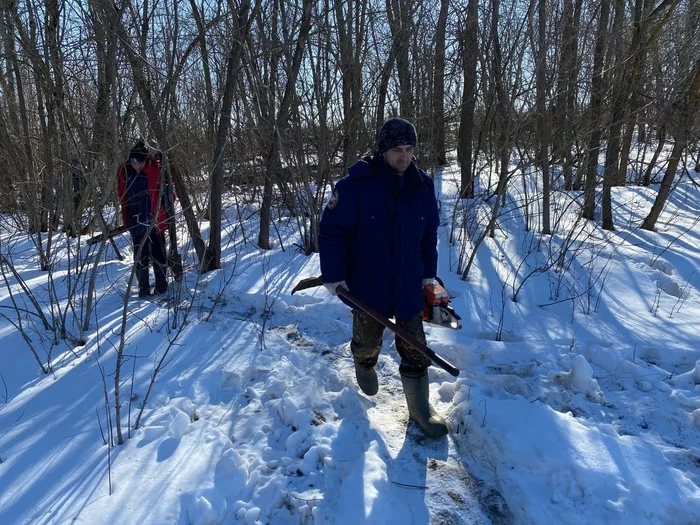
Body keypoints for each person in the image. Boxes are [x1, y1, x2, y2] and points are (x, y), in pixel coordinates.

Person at [318, 117, 448, 438]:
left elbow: (428, 235)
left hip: (408, 284)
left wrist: (428, 276)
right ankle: (364, 364)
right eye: (397, 150)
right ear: (383, 150)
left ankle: (420, 411)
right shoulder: (355, 186)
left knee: (415, 346)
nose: (404, 156)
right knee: (366, 342)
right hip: (368, 284)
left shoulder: (422, 186)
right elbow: (331, 231)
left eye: (409, 149)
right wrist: (334, 276)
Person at [116, 140, 168, 297]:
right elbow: (122, 193)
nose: (135, 164)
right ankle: (143, 290)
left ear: (145, 160)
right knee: (140, 256)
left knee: (159, 253)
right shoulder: (125, 171)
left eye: (138, 161)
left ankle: (161, 286)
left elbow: (165, 193)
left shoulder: (155, 170)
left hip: (155, 219)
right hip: (136, 220)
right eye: (132, 161)